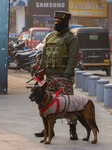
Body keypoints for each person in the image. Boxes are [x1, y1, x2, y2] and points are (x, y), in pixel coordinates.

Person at [34, 11, 80, 140]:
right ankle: (48, 130)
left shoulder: (72, 39)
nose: (56, 24)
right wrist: (40, 70)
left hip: (64, 77)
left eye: (58, 23)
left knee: (69, 103)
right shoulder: (50, 37)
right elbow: (44, 56)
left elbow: (73, 59)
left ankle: (72, 129)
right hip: (50, 76)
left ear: (65, 23)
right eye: (55, 22)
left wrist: (67, 75)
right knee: (47, 104)